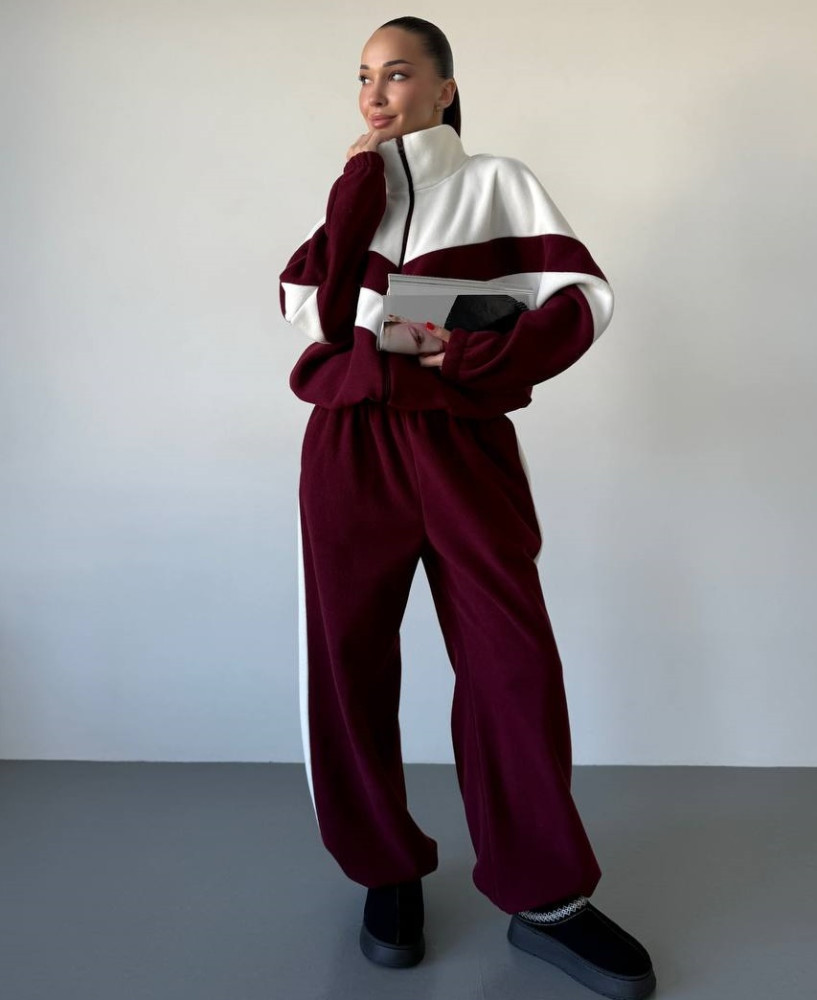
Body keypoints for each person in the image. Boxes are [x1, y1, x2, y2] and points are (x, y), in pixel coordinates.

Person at [279, 16, 657, 1000]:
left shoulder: (498, 183)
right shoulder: (352, 191)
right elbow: (309, 313)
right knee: (347, 659)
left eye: (398, 73)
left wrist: (461, 345)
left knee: (510, 662)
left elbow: (577, 301)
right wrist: (356, 193)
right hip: (351, 446)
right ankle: (386, 868)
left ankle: (547, 899)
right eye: (364, 76)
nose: (375, 92)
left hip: (460, 444)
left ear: (444, 89)